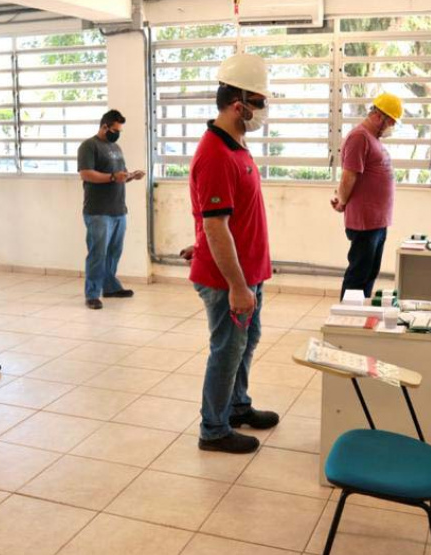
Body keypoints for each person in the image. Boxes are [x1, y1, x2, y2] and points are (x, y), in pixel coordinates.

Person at [188, 53, 280, 454]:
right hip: (229, 280)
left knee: (246, 342)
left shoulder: (236, 144)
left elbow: (221, 216)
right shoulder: (215, 153)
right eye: (259, 103)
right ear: (238, 105)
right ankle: (213, 428)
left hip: (248, 272)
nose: (263, 111)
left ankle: (237, 407)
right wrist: (237, 285)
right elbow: (215, 224)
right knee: (227, 349)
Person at [330, 93, 403, 299]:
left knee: (369, 272)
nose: (392, 127)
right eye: (391, 122)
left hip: (376, 221)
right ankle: (347, 319)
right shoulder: (359, 137)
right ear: (379, 116)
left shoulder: (372, 139)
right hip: (365, 221)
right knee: (359, 274)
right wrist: (342, 202)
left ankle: (359, 314)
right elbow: (349, 175)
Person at [76, 110, 145, 310]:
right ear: (104, 126)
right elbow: (86, 174)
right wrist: (113, 177)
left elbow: (119, 175)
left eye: (119, 130)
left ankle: (110, 287)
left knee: (114, 252)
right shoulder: (89, 146)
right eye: (115, 129)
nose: (117, 133)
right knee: (98, 253)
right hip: (98, 211)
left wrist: (131, 175)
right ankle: (92, 294)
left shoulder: (116, 147)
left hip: (118, 209)